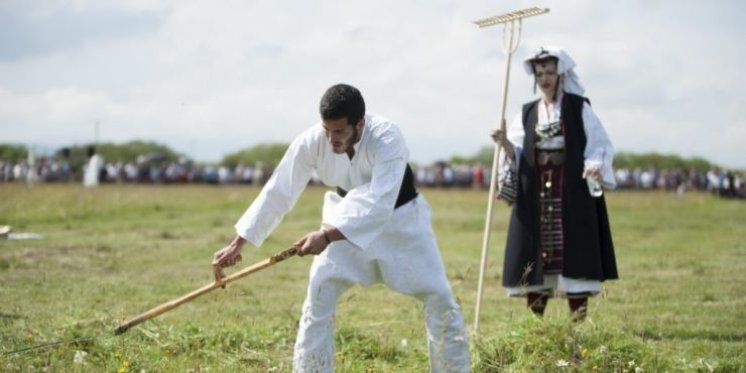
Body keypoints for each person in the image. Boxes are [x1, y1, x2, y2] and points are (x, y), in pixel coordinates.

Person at [213, 84, 470, 372]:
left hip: (402, 220)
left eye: (339, 132)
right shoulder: (312, 141)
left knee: (439, 297)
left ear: (360, 123)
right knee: (319, 293)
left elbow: (380, 201)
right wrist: (239, 242)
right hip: (343, 213)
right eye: (327, 129)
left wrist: (325, 236)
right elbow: (279, 189)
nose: (331, 139)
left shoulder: (387, 137)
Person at [491, 47, 618, 320]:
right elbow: (517, 152)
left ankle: (577, 324)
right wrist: (504, 144)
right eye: (539, 74)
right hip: (535, 193)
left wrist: (594, 165)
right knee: (535, 257)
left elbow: (599, 144)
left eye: (549, 72)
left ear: (559, 74)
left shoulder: (577, 107)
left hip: (570, 189)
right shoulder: (527, 112)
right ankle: (536, 325)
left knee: (576, 252)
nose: (544, 79)